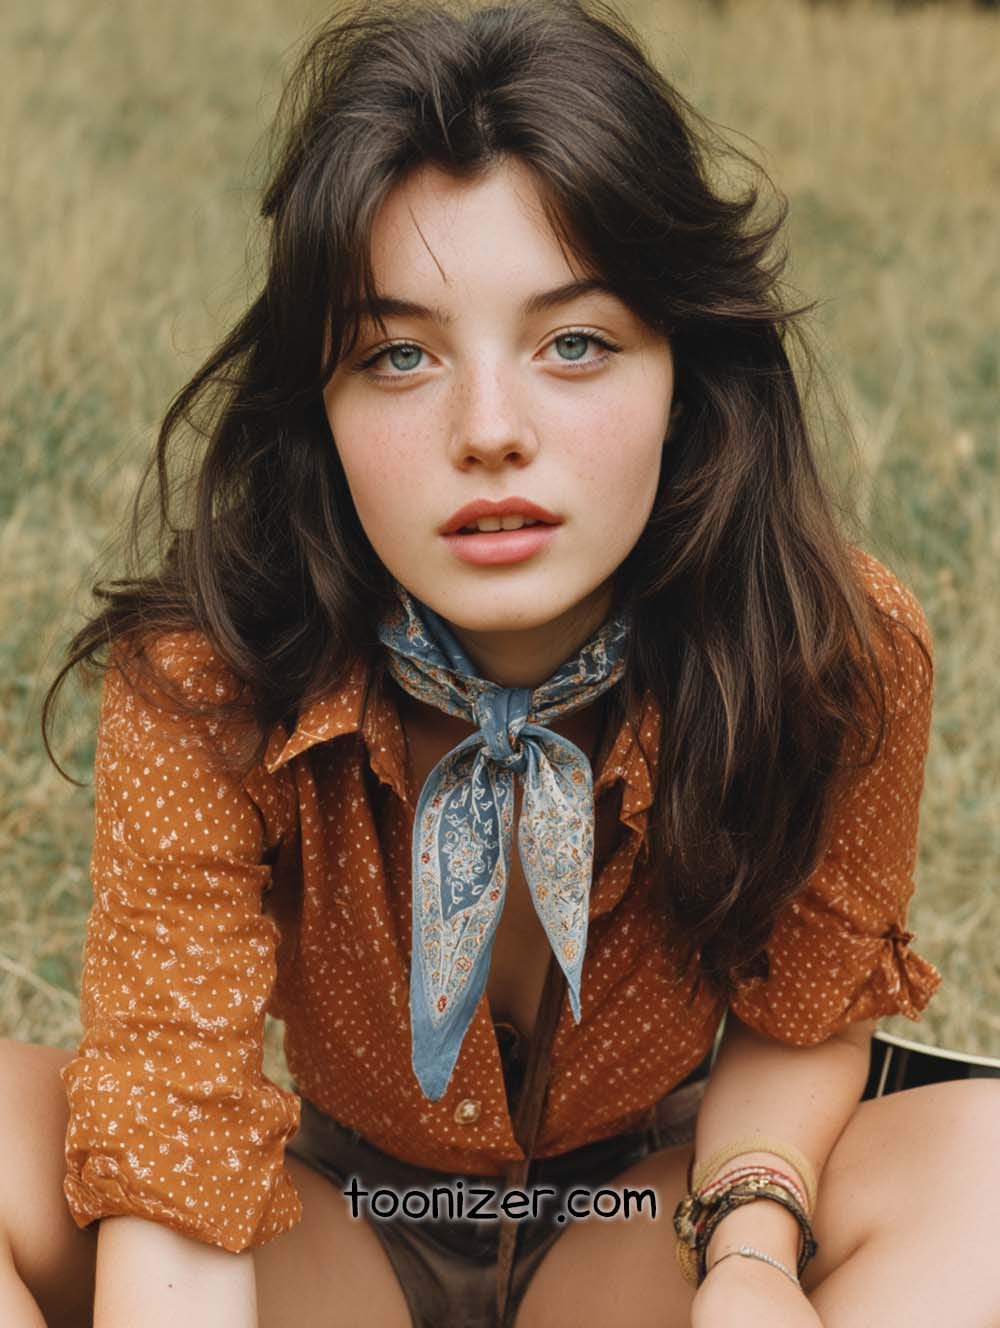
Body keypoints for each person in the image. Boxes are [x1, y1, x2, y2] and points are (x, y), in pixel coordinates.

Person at [3, 0, 997, 1324]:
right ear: (325, 406)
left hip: (642, 1230)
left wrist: (752, 1257)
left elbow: (800, 1008)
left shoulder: (831, 646)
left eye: (573, 341)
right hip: (332, 1234)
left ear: (680, 375)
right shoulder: (210, 673)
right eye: (399, 353)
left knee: (982, 1162)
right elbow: (171, 1129)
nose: (489, 431)